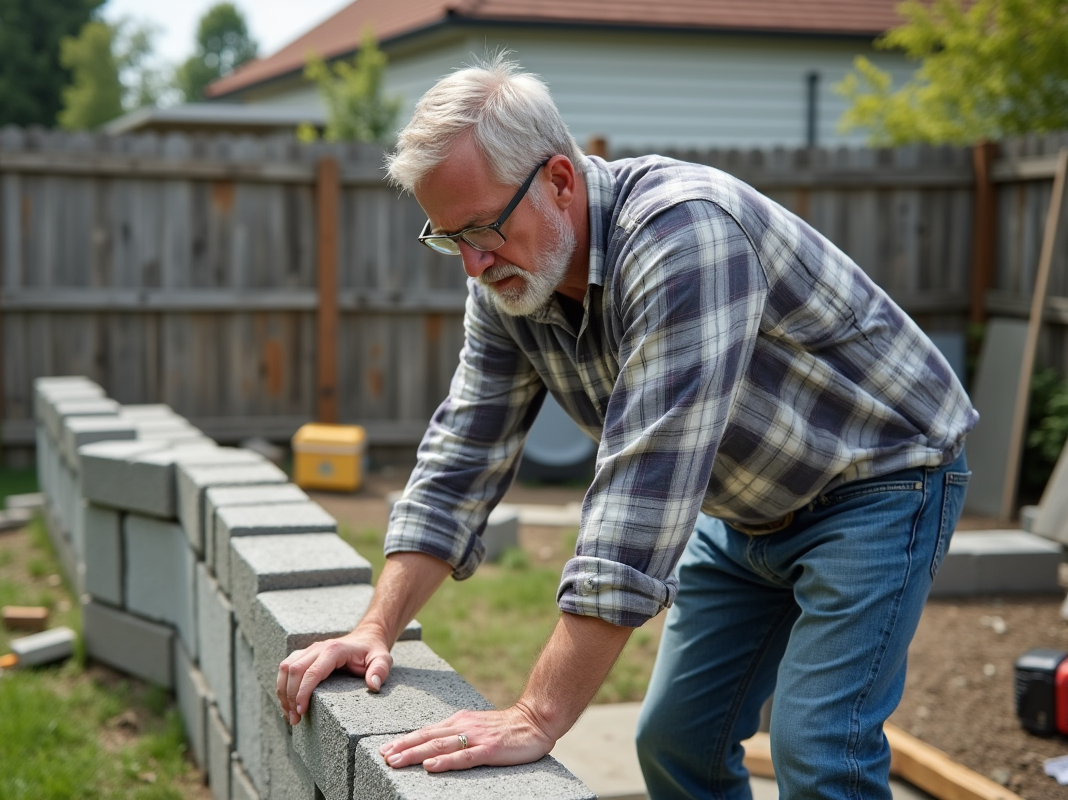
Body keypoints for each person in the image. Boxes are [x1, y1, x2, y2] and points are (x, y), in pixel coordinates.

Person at [276, 54, 977, 799]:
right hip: (745, 505)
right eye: (450, 238)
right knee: (677, 744)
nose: (473, 266)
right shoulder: (511, 282)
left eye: (482, 228)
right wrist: (375, 627)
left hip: (880, 479)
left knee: (818, 750)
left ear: (559, 180)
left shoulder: (684, 237)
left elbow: (641, 497)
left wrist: (538, 714)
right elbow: (462, 454)